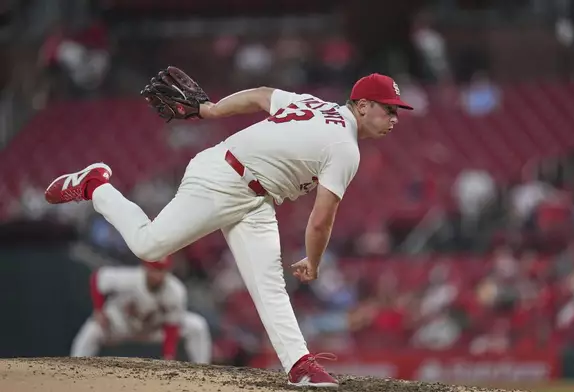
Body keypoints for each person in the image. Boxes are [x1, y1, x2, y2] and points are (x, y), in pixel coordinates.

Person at [45, 72, 413, 387]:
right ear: (362, 105)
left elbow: (261, 95)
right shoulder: (346, 147)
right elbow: (322, 218)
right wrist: (314, 262)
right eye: (389, 108)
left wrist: (210, 109)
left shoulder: (315, 104)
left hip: (255, 197)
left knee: (268, 283)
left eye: (396, 110)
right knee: (148, 246)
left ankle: (300, 365)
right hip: (222, 179)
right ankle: (97, 185)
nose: (394, 117)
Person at [70, 257, 212, 364]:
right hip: (119, 325)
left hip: (153, 330)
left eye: (162, 270)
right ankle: (74, 369)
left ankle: (203, 374)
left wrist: (168, 355)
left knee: (197, 325)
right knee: (92, 330)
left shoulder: (175, 290)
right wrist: (99, 310)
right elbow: (98, 278)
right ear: (146, 268)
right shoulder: (129, 278)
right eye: (155, 269)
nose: (158, 275)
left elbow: (172, 325)